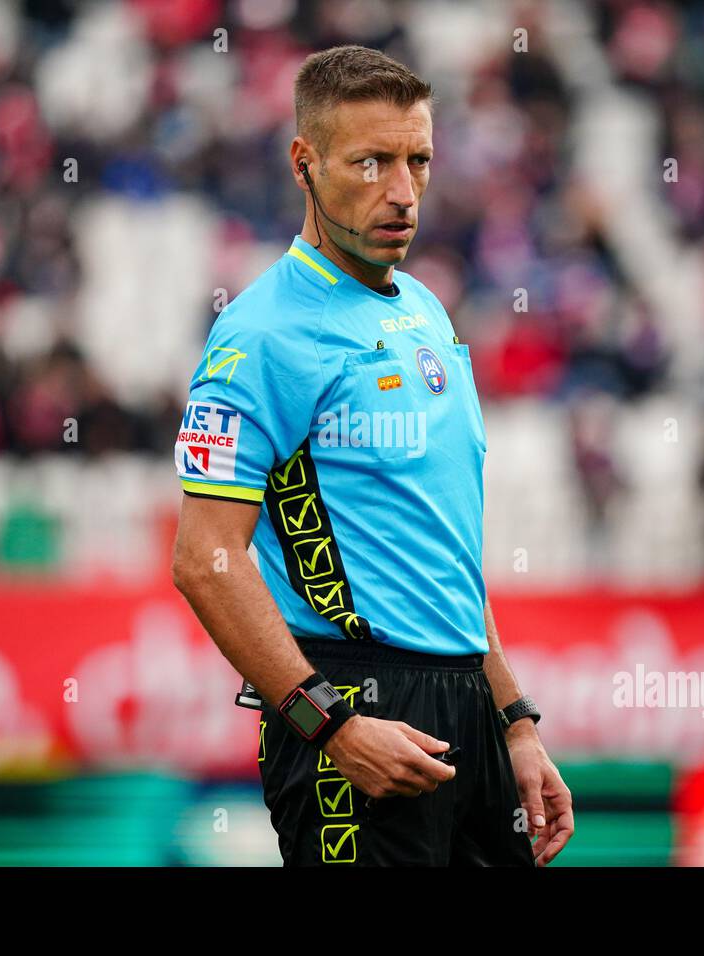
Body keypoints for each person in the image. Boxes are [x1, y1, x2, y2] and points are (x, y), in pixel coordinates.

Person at [171, 45, 573, 866]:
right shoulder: (262, 334)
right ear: (304, 164)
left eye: (418, 160)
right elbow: (205, 558)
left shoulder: (424, 309)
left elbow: (443, 553)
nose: (402, 191)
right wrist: (333, 728)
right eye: (372, 162)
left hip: (468, 711)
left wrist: (516, 724)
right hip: (354, 704)